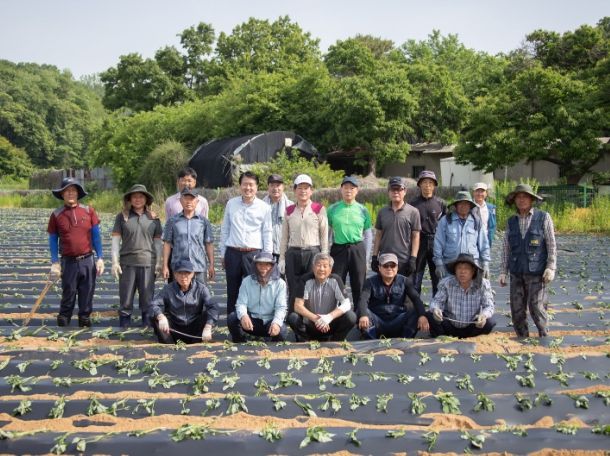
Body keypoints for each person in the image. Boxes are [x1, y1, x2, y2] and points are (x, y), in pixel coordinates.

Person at [499, 183, 557, 338]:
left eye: (525, 197)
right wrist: (503, 271)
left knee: (537, 308)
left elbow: (551, 244)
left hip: (536, 272)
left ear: (531, 200)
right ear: (514, 200)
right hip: (516, 272)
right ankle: (522, 340)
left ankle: (544, 337)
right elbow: (506, 248)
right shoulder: (511, 222)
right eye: (518, 197)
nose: (521, 200)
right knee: (517, 310)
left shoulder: (543, 217)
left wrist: (551, 267)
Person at [47, 177, 104, 327]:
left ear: (78, 193)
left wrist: (100, 258)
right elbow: (53, 239)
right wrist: (55, 262)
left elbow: (96, 236)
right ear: (62, 194)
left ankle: (84, 318)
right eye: (67, 191)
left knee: (87, 291)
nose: (70, 193)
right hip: (68, 261)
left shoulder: (88, 211)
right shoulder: (56, 214)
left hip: (87, 260)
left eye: (73, 190)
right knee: (69, 291)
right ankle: (64, 318)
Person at [220, 171, 273, 317]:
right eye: (245, 184)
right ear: (240, 186)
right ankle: (233, 322)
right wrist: (223, 253)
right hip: (233, 252)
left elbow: (267, 232)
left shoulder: (264, 207)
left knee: (255, 290)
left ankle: (253, 322)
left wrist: (267, 257)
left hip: (254, 254)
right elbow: (225, 229)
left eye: (251, 185)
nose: (248, 188)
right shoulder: (231, 204)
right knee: (232, 290)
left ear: (257, 187)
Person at [111, 184, 162, 328]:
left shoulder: (154, 218)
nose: (137, 199)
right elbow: (115, 241)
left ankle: (147, 327)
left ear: (146, 199)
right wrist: (115, 262)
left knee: (147, 299)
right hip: (127, 263)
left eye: (141, 197)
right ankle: (124, 327)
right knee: (126, 298)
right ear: (130, 199)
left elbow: (158, 243)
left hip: (148, 263)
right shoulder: (122, 217)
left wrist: (159, 262)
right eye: (134, 197)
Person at [279, 174, 329, 313]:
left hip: (313, 252)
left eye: (306, 188)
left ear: (311, 191)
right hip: (293, 253)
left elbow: (324, 235)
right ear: (294, 190)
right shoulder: (289, 210)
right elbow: (284, 237)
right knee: (293, 286)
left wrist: (324, 256)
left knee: (311, 286)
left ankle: (310, 317)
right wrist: (282, 258)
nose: (303, 191)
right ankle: (293, 317)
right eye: (300, 188)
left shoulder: (319, 209)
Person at [288, 253, 357, 342]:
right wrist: (317, 319)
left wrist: (329, 317)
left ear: (330, 269)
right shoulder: (305, 280)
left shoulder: (336, 280)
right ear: (313, 267)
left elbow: (347, 304)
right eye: (318, 265)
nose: (321, 269)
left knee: (351, 316)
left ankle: (335, 341)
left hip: (329, 324)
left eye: (325, 266)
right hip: (311, 324)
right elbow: (298, 306)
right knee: (293, 318)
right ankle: (305, 341)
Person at [327, 176, 373, 309]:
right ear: (341, 189)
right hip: (338, 250)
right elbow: (328, 232)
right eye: (345, 188)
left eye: (352, 188)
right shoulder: (332, 209)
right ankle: (336, 315)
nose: (348, 191)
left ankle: (360, 314)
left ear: (357, 191)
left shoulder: (363, 210)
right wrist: (326, 252)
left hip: (357, 249)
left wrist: (366, 258)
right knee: (336, 283)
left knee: (359, 284)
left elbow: (368, 235)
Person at [358, 253, 429, 339]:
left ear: (397, 268)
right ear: (379, 268)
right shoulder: (370, 282)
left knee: (416, 312)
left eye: (392, 266)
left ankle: (406, 339)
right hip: (378, 321)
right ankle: (371, 340)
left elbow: (416, 298)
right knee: (361, 311)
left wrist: (422, 315)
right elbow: (363, 300)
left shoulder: (405, 281)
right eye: (386, 266)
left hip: (398, 320)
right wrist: (363, 315)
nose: (389, 268)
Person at [426, 253, 496, 338]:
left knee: (490, 322)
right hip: (450, 325)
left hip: (472, 326)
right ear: (455, 270)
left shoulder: (482, 284)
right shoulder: (447, 283)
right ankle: (442, 337)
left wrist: (483, 315)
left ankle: (473, 339)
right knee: (430, 315)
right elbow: (437, 301)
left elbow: (489, 306)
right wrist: (436, 309)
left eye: (466, 268)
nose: (462, 272)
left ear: (473, 271)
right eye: (459, 268)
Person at [150, 260, 218, 344]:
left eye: (187, 273)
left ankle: (198, 342)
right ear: (175, 275)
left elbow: (213, 307)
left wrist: (208, 326)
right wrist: (161, 317)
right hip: (174, 328)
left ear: (192, 274)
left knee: (209, 313)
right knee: (155, 316)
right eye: (180, 273)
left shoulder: (201, 289)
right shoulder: (168, 289)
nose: (183, 277)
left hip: (194, 327)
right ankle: (169, 345)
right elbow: (154, 304)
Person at [227, 252, 288, 343]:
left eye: (267, 265)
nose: (263, 268)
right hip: (251, 323)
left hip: (270, 323)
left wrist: (276, 323)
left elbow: (281, 307)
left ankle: (272, 346)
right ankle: (240, 341)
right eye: (260, 265)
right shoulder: (247, 281)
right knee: (232, 318)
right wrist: (244, 316)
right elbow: (241, 303)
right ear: (255, 266)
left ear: (272, 266)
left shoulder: (280, 284)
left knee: (282, 331)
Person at [162, 187, 215, 285]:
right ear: (181, 201)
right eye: (186, 198)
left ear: (197, 201)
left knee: (200, 293)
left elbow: (209, 243)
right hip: (178, 267)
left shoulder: (203, 221)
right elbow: (167, 243)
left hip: (198, 266)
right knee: (177, 293)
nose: (189, 202)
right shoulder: (172, 221)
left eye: (192, 199)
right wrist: (165, 265)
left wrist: (211, 264)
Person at [433, 191, 490, 280]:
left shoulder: (476, 221)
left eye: (466, 204)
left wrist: (485, 264)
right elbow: (438, 243)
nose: (463, 206)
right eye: (460, 203)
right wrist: (439, 263)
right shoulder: (445, 221)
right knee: (448, 288)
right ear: (456, 206)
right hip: (450, 266)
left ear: (470, 206)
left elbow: (484, 244)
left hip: (472, 266)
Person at [371, 177, 421, 278]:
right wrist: (374, 256)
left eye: (399, 189)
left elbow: (416, 236)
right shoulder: (382, 212)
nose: (396, 192)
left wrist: (413, 258)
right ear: (388, 192)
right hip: (385, 260)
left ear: (405, 191)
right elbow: (378, 235)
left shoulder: (413, 212)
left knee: (404, 287)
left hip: (404, 260)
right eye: (393, 189)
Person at [409, 170, 447, 297]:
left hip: (436, 242)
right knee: (416, 275)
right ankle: (415, 305)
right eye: (424, 182)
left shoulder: (441, 203)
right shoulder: (412, 204)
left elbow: (445, 225)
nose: (427, 185)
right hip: (418, 242)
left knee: (437, 276)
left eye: (430, 183)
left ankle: (437, 305)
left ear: (434, 185)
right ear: (419, 184)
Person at [262, 174, 293, 263]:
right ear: (268, 187)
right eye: (272, 185)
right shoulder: (261, 205)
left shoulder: (291, 206)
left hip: (285, 252)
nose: (275, 188)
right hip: (266, 251)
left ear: (283, 187)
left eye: (278, 185)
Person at [472, 182, 497, 247]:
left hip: (486, 240)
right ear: (473, 193)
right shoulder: (469, 206)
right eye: (477, 191)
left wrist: (490, 237)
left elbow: (493, 225)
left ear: (486, 193)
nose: (480, 194)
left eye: (482, 191)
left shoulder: (491, 208)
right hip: (471, 240)